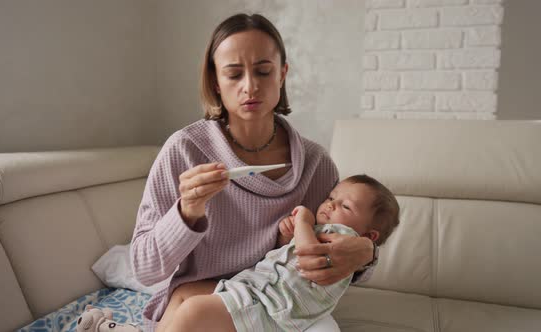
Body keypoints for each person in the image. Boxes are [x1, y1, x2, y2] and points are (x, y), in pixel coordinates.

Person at [130, 13, 378, 331]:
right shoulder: (184, 150)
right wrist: (187, 211)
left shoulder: (316, 163)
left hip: (278, 306)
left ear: (282, 74)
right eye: (233, 74)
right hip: (202, 303)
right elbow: (144, 269)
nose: (250, 86)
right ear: (215, 81)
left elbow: (343, 254)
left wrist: (366, 253)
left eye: (263, 71)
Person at [162, 175, 401, 331]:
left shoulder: (343, 238)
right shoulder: (322, 231)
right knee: (186, 291)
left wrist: (303, 223)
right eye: (331, 198)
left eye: (345, 206)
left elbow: (309, 257)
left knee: (193, 311)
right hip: (256, 290)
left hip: (271, 309)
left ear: (369, 237)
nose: (330, 205)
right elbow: (290, 261)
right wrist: (286, 239)